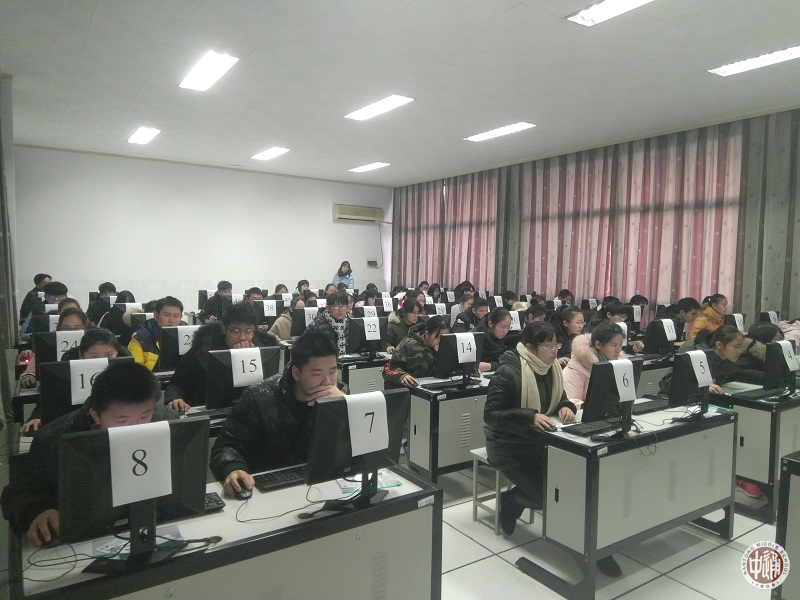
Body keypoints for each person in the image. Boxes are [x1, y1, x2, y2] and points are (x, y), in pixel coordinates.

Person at [1, 362, 168, 546]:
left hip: (151, 528)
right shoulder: (53, 439)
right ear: (96, 415)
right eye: (123, 421)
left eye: (144, 416)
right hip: (79, 541)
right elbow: (16, 495)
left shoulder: (165, 422)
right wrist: (38, 510)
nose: (136, 428)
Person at [209, 334, 346, 498]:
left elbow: (353, 446)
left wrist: (344, 407)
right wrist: (233, 468)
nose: (328, 382)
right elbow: (226, 447)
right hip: (264, 490)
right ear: (296, 373)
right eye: (317, 374)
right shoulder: (259, 397)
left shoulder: (339, 395)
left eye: (332, 372)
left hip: (321, 486)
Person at [483, 324, 576, 530]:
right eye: (548, 346)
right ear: (530, 348)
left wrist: (566, 407)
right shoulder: (508, 372)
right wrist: (529, 416)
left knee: (566, 487)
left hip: (540, 442)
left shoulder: (552, 369)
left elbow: (561, 398)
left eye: (556, 345)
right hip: (508, 446)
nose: (555, 351)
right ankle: (512, 500)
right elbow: (490, 416)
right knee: (546, 495)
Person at [164, 303, 274, 411]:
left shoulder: (265, 352)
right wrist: (175, 398)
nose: (242, 337)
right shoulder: (203, 350)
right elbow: (176, 384)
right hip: (205, 411)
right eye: (236, 331)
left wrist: (245, 358)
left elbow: (268, 390)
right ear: (224, 329)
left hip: (250, 412)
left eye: (249, 331)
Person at [18, 307, 89, 392]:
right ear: (59, 328)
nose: (72, 332)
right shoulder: (48, 344)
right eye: (66, 328)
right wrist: (28, 376)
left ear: (86, 329)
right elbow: (30, 372)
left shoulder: (92, 344)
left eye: (77, 328)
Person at [563, 322, 626, 408]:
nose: (618, 350)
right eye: (614, 345)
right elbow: (570, 402)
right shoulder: (575, 369)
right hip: (584, 414)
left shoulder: (619, 363)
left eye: (620, 345)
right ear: (598, 345)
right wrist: (594, 407)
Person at [383, 316, 449, 387]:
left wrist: (443, 354)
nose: (442, 341)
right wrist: (402, 376)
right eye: (439, 337)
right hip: (412, 388)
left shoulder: (447, 347)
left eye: (445, 337)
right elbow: (388, 369)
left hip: (438, 386)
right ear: (427, 334)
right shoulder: (408, 344)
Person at [128, 296, 186, 371]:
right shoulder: (140, 338)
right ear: (156, 315)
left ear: (181, 317)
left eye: (176, 316)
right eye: (166, 315)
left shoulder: (188, 335)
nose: (171, 320)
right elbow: (136, 371)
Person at [303, 290, 351, 356]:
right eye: (336, 306)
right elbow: (305, 349)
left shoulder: (351, 322)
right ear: (328, 308)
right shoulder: (316, 326)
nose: (340, 309)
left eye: (343, 306)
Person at [476, 307, 513, 372]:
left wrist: (490, 366)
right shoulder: (475, 338)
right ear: (490, 324)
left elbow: (512, 361)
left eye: (508, 327)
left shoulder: (509, 338)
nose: (505, 331)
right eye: (502, 327)